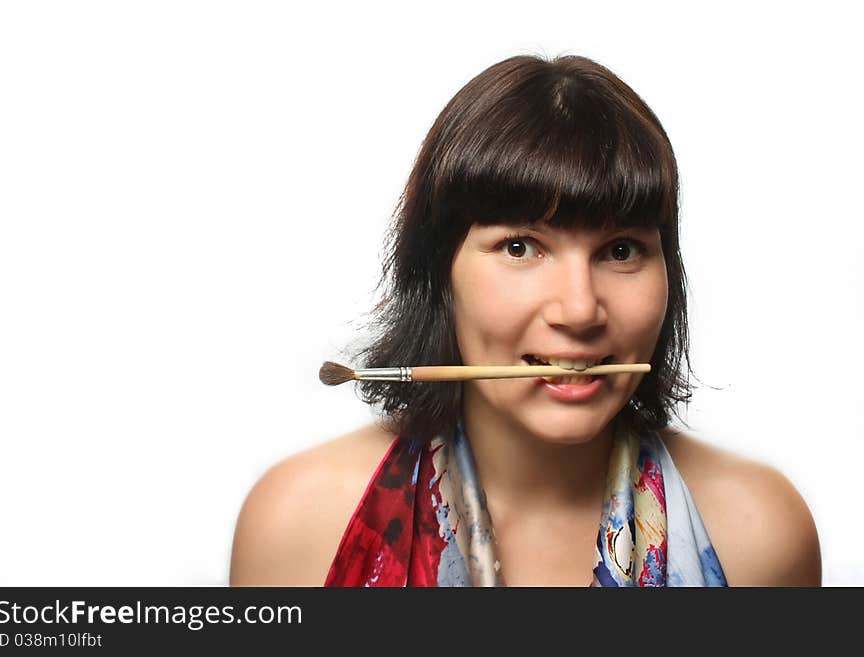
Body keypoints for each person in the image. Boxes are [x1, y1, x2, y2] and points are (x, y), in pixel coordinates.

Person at [229, 54, 821, 587]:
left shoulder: (760, 532)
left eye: (620, 250)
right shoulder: (301, 522)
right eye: (520, 247)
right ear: (439, 271)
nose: (579, 310)